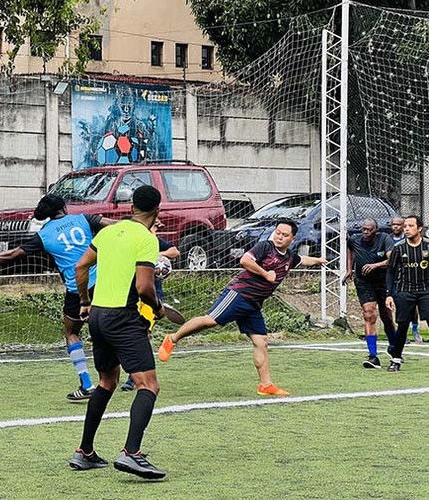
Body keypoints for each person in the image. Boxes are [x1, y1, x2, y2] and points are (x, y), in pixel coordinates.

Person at [0, 195, 114, 401]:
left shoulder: (45, 235)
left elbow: (11, 254)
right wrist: (142, 224)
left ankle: (86, 384)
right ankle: (132, 374)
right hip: (102, 283)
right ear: (64, 208)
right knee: (111, 328)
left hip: (77, 290)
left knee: (71, 333)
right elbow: (113, 225)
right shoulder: (83, 219)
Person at [69, 185, 170, 480]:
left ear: (130, 208)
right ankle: (132, 454)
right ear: (157, 212)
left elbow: (80, 266)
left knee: (107, 381)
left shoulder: (107, 233)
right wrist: (158, 308)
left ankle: (84, 452)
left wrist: (85, 302)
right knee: (148, 385)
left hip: (98, 315)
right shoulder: (147, 239)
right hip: (123, 317)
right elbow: (144, 287)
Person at [158, 220, 326, 396]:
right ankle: (173, 338)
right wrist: (265, 273)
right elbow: (245, 260)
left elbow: (302, 259)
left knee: (261, 341)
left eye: (284, 235)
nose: (279, 237)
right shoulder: (265, 247)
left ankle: (266, 385)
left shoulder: (290, 256)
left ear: (292, 238)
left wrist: (318, 260)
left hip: (254, 304)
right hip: (239, 294)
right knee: (210, 321)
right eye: (278, 232)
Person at [120, 227, 180, 392]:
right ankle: (129, 370)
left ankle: (132, 377)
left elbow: (175, 251)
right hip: (130, 296)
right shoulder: (130, 244)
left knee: (143, 333)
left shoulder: (154, 241)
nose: (155, 227)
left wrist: (160, 255)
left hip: (151, 297)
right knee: (127, 333)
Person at [343, 219, 395, 368]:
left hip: (383, 281)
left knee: (387, 317)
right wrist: (349, 269)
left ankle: (393, 347)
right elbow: (350, 248)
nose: (365, 232)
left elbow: (392, 259)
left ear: (376, 230)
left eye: (369, 230)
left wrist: (375, 265)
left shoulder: (384, 239)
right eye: (363, 229)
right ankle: (373, 356)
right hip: (364, 282)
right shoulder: (354, 240)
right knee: (369, 313)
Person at [385, 215, 429, 371]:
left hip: (425, 290)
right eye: (405, 226)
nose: (407, 229)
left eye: (411, 226)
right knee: (403, 325)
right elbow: (390, 271)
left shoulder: (427, 246)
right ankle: (396, 359)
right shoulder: (399, 247)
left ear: (419, 228)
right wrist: (389, 294)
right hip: (405, 290)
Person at [391, 215, 422, 343]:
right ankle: (402, 336)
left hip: (418, 281)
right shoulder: (390, 241)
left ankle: (415, 329)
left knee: (414, 309)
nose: (398, 227)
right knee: (401, 308)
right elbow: (390, 264)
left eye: (401, 224)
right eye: (395, 225)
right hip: (400, 282)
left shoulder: (413, 240)